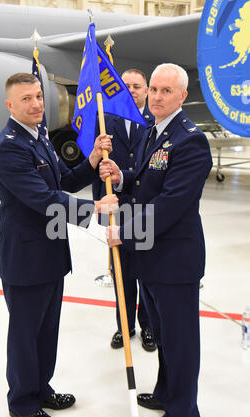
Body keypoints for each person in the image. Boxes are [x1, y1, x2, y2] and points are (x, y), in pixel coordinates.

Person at [0, 72, 117, 417]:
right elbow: (47, 201)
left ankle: (41, 388)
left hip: (50, 253)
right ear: (10, 105)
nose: (35, 104)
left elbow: (62, 180)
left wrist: (91, 161)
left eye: (38, 97)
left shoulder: (39, 136)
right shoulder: (10, 146)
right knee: (26, 333)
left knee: (47, 330)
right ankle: (23, 402)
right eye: (26, 99)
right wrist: (95, 210)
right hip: (26, 258)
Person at [101, 63, 212, 417]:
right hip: (154, 258)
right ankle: (166, 393)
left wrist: (124, 235)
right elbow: (147, 181)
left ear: (183, 96)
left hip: (175, 260)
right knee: (165, 335)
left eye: (167, 91)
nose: (158, 97)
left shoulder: (190, 140)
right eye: (155, 90)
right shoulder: (155, 131)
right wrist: (122, 176)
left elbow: (170, 204)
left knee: (180, 342)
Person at [92, 69, 156, 352]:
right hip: (119, 210)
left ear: (146, 90)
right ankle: (124, 325)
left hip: (147, 211)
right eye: (125, 85)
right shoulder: (106, 121)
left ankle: (149, 327)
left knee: (149, 275)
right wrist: (102, 209)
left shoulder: (156, 122)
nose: (131, 90)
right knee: (122, 274)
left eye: (137, 86)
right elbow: (99, 168)